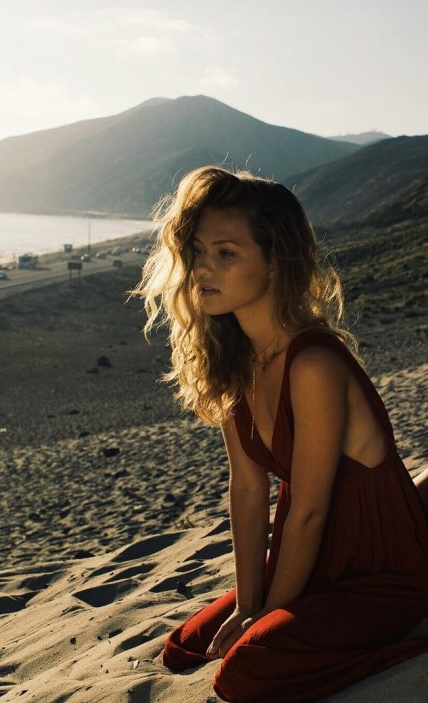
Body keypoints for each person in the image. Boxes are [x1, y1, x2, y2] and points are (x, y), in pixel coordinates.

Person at [136, 166, 428, 702]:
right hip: (309, 558)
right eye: (198, 251)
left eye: (227, 252)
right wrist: (250, 604)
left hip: (380, 566)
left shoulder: (313, 362)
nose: (203, 267)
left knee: (247, 671)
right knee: (185, 647)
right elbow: (247, 491)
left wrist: (268, 614)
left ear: (274, 264)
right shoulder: (235, 362)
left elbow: (311, 509)